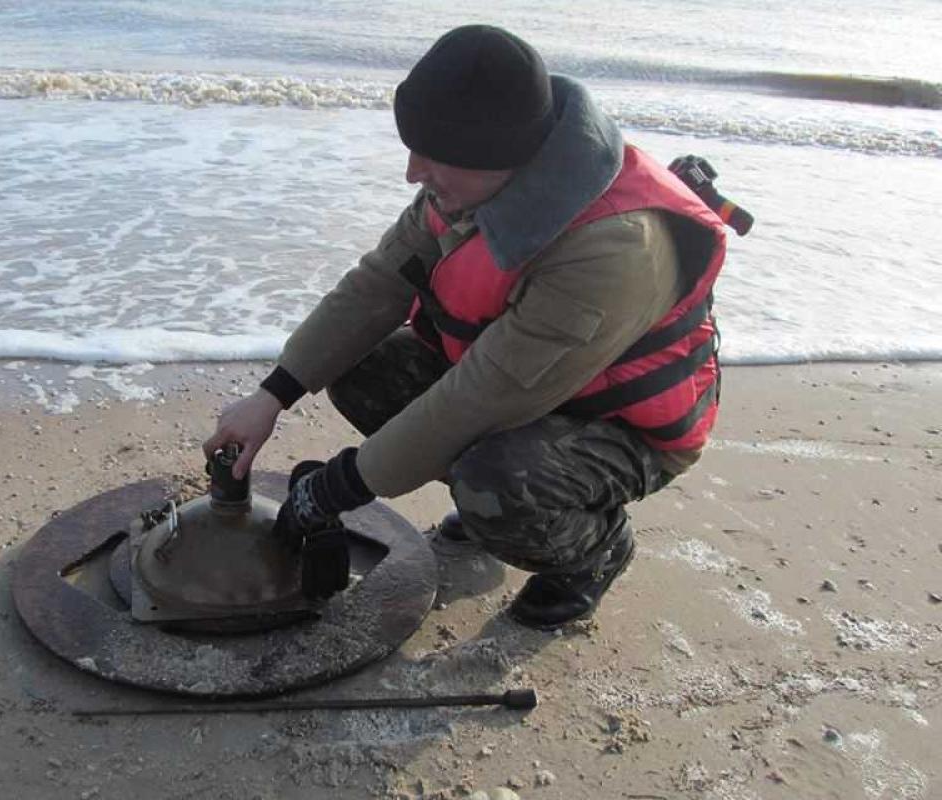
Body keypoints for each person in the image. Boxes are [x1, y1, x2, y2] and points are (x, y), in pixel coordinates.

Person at [203, 24, 728, 629]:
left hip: (617, 427)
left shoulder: (613, 249)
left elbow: (480, 396)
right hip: (525, 383)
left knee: (495, 487)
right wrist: (273, 394)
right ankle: (497, 506)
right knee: (364, 373)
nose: (412, 173)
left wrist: (337, 488)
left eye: (433, 156)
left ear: (502, 156)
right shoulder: (472, 183)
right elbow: (379, 283)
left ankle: (595, 548)